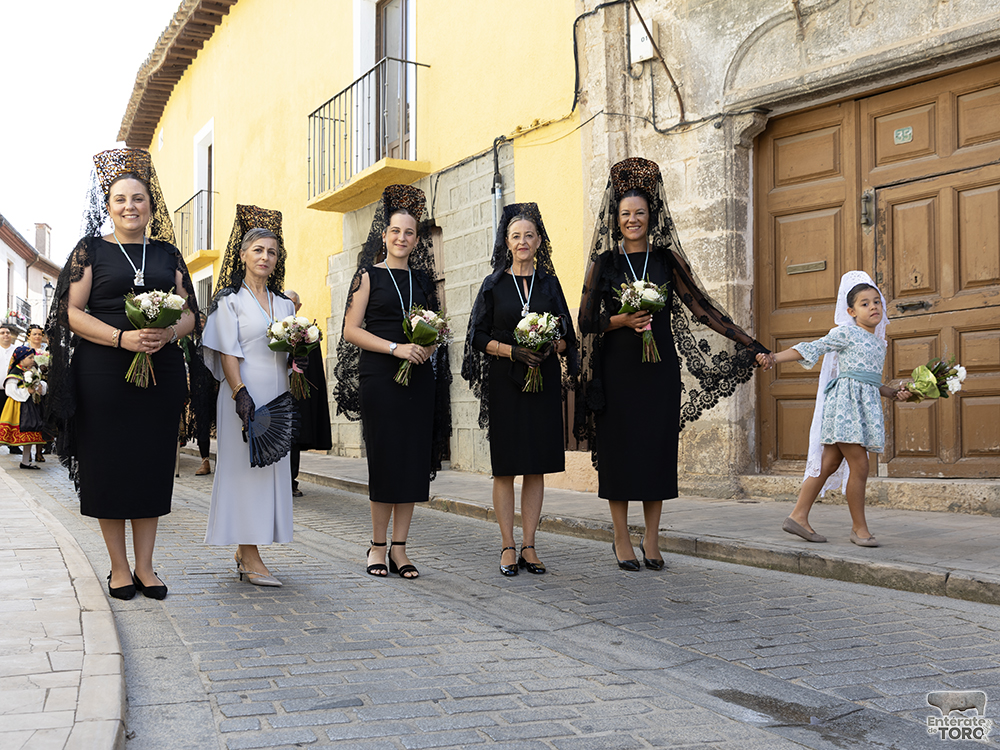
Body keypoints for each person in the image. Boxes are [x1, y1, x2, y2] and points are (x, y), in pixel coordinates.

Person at [577, 157, 770, 571]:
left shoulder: (666, 260)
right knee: (620, 453)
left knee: (655, 451)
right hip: (617, 373)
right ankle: (621, 537)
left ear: (652, 216)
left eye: (640, 213)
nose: (633, 220)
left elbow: (702, 309)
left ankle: (651, 539)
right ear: (616, 218)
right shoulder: (605, 263)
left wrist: (749, 343)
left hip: (659, 371)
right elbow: (586, 321)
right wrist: (622, 320)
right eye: (625, 214)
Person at [46, 147, 197, 601]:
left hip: (160, 370)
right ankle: (118, 568)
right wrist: (121, 338)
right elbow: (72, 312)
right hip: (103, 372)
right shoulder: (89, 250)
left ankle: (147, 568)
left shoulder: (168, 253)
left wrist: (168, 333)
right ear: (107, 205)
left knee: (150, 465)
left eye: (138, 199)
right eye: (120, 199)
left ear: (151, 206)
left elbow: (191, 312)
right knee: (108, 466)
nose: (130, 206)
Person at [333, 184, 452, 579]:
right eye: (396, 231)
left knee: (412, 462)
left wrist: (425, 347)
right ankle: (377, 545)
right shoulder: (368, 276)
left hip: (417, 379)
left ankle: (401, 548)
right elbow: (350, 330)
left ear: (417, 240)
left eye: (410, 233)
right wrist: (395, 349)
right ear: (384, 236)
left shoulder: (422, 281)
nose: (402, 238)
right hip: (381, 378)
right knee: (386, 461)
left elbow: (437, 330)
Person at [462, 203, 578, 576]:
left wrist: (549, 346)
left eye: (529, 235)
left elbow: (567, 334)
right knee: (506, 468)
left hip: (541, 380)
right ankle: (507, 545)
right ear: (507, 243)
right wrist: (513, 350)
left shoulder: (549, 284)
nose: (523, 241)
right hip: (506, 383)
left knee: (535, 467)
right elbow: (477, 336)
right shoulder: (494, 284)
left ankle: (530, 545)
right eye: (516, 236)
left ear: (539, 241)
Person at [757, 272, 909, 547]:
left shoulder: (879, 342)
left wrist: (895, 393)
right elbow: (811, 348)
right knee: (860, 465)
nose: (874, 306)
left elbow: (872, 382)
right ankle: (859, 529)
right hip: (845, 407)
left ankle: (798, 516)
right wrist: (773, 357)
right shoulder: (846, 333)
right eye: (865, 303)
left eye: (877, 301)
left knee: (828, 464)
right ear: (851, 311)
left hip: (862, 406)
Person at [202, 205, 295, 587]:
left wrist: (301, 352)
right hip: (243, 398)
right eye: (258, 250)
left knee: (271, 472)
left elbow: (290, 352)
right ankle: (251, 556)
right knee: (244, 471)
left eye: (271, 252)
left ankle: (247, 549)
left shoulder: (286, 305)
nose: (264, 257)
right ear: (242, 256)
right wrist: (240, 395)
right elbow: (226, 350)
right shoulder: (230, 301)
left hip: (278, 394)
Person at [284, 290, 332, 497]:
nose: (288, 305)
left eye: (292, 302)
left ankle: (290, 480)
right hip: (277, 390)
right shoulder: (276, 328)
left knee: (294, 436)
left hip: (297, 392)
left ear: (299, 307)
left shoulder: (307, 331)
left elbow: (313, 366)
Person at [0, 346, 47, 468]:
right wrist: (27, 391)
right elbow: (10, 391)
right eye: (30, 357)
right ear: (21, 359)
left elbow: (39, 383)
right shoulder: (15, 373)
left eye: (33, 357)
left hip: (32, 405)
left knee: (29, 433)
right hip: (17, 407)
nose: (33, 360)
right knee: (12, 432)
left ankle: (25, 461)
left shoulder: (33, 370)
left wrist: (41, 387)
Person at [0, 324, 20, 455]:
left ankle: (13, 446)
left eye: (7, 332)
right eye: (2, 333)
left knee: (11, 418)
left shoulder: (16, 351)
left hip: (12, 390)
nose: (6, 335)